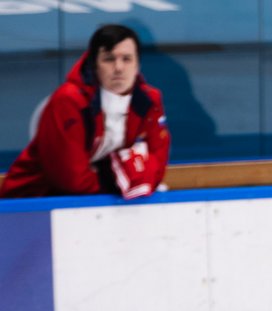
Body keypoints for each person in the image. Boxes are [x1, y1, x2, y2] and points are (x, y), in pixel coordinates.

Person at [0, 24, 170, 200]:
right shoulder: (69, 100)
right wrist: (124, 181)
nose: (118, 67)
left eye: (127, 59)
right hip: (31, 199)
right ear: (94, 65)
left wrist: (132, 181)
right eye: (109, 59)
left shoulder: (150, 100)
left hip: (101, 198)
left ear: (137, 65)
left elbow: (157, 165)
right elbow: (70, 179)